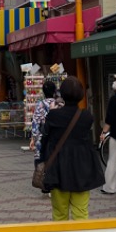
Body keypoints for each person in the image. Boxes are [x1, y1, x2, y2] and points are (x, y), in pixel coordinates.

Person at [39, 75, 104, 221]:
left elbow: (45, 137)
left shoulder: (54, 116)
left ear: (61, 94)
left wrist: (51, 111)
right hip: (81, 169)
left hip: (58, 169)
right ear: (81, 95)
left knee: (59, 214)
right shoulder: (87, 116)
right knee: (81, 213)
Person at [25, 79, 58, 158]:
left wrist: (33, 139)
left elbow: (35, 124)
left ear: (43, 92)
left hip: (42, 140)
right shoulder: (59, 104)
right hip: (56, 139)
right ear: (54, 91)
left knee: (41, 164)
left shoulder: (40, 105)